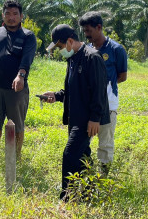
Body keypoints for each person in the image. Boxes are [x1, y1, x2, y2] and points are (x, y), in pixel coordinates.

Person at [42, 24, 110, 200]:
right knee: (83, 155)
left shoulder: (92, 58)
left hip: (86, 119)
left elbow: (99, 92)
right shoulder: (72, 59)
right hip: (75, 116)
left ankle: (67, 196)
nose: (60, 51)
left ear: (70, 41)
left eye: (60, 47)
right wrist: (56, 96)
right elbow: (74, 90)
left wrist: (95, 118)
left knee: (70, 154)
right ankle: (88, 192)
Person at [0, 0, 37, 159]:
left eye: (15, 14)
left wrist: (21, 76)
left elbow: (27, 59)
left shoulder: (28, 36)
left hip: (16, 89)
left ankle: (15, 157)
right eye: (8, 14)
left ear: (21, 16)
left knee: (17, 125)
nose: (11, 17)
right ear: (2, 15)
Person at [79, 11, 127, 176]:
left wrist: (102, 88)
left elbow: (122, 76)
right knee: (84, 141)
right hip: (89, 105)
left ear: (99, 27)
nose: (86, 35)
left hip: (108, 105)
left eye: (89, 31)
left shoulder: (116, 49)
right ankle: (84, 175)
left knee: (105, 144)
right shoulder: (87, 49)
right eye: (84, 32)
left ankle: (103, 178)